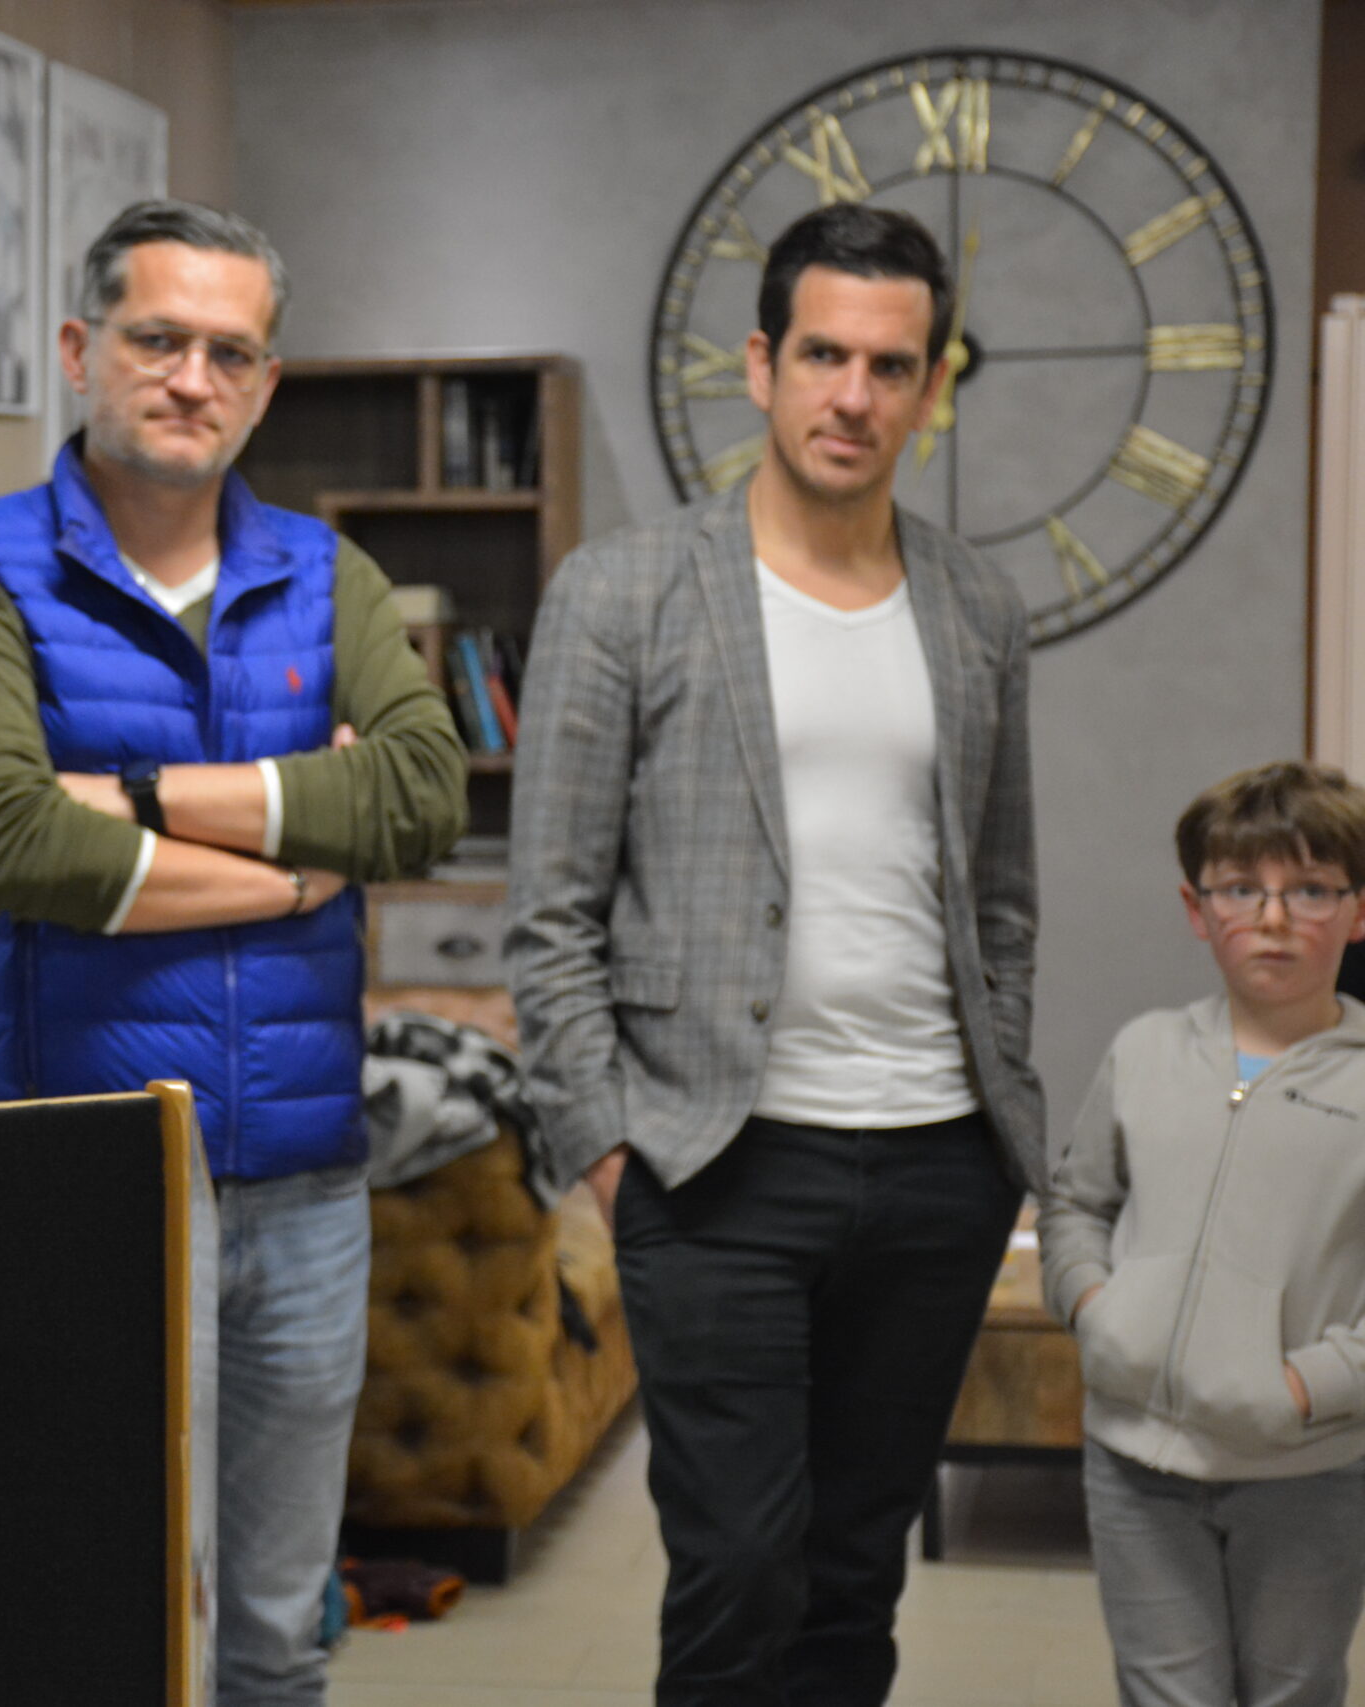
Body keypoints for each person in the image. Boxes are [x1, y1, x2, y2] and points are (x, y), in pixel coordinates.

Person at [0, 198, 465, 1703]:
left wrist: (139, 798)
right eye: (158, 338)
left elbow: (421, 796)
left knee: (277, 1632)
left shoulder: (324, 575)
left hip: (302, 1187)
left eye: (230, 351)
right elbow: (4, 836)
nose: (192, 377)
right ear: (80, 349)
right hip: (74, 1183)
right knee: (85, 1621)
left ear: (265, 383)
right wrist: (293, 874)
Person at [504, 201, 1042, 1705]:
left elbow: (1001, 896)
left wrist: (998, 1106)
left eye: (890, 365)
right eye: (822, 355)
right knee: (739, 1565)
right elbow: (550, 907)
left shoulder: (976, 605)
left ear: (930, 386)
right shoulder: (623, 590)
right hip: (713, 1160)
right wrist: (606, 1144)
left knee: (854, 1573)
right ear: (761, 364)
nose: (852, 395)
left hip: (937, 1159)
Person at [1041, 761, 1365, 1707]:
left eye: (1311, 889)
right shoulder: (1144, 1050)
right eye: (1241, 888)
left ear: (1358, 910)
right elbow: (1076, 1203)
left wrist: (1304, 1388)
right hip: (1134, 1464)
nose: (1274, 917)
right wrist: (1099, 1311)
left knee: (1293, 1690)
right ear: (1197, 908)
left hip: (1308, 1469)